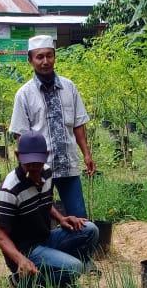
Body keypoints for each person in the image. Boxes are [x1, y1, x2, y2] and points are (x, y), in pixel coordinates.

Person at [0, 130, 98, 288]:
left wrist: (61, 218)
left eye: (38, 162)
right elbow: (0, 236)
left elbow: (45, 202)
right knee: (75, 267)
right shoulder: (10, 189)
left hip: (45, 238)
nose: (34, 167)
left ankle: (62, 283)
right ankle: (22, 279)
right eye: (29, 163)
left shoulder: (47, 173)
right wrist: (20, 259)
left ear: (46, 155)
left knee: (90, 230)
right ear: (17, 156)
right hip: (26, 250)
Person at [9, 35, 95, 218]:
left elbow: (78, 124)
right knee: (40, 218)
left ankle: (76, 247)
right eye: (40, 57)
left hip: (68, 164)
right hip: (39, 168)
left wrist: (87, 154)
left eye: (49, 56)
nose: (45, 61)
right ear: (30, 60)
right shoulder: (24, 95)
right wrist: (27, 168)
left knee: (79, 217)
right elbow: (21, 136)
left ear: (55, 57)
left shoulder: (69, 87)